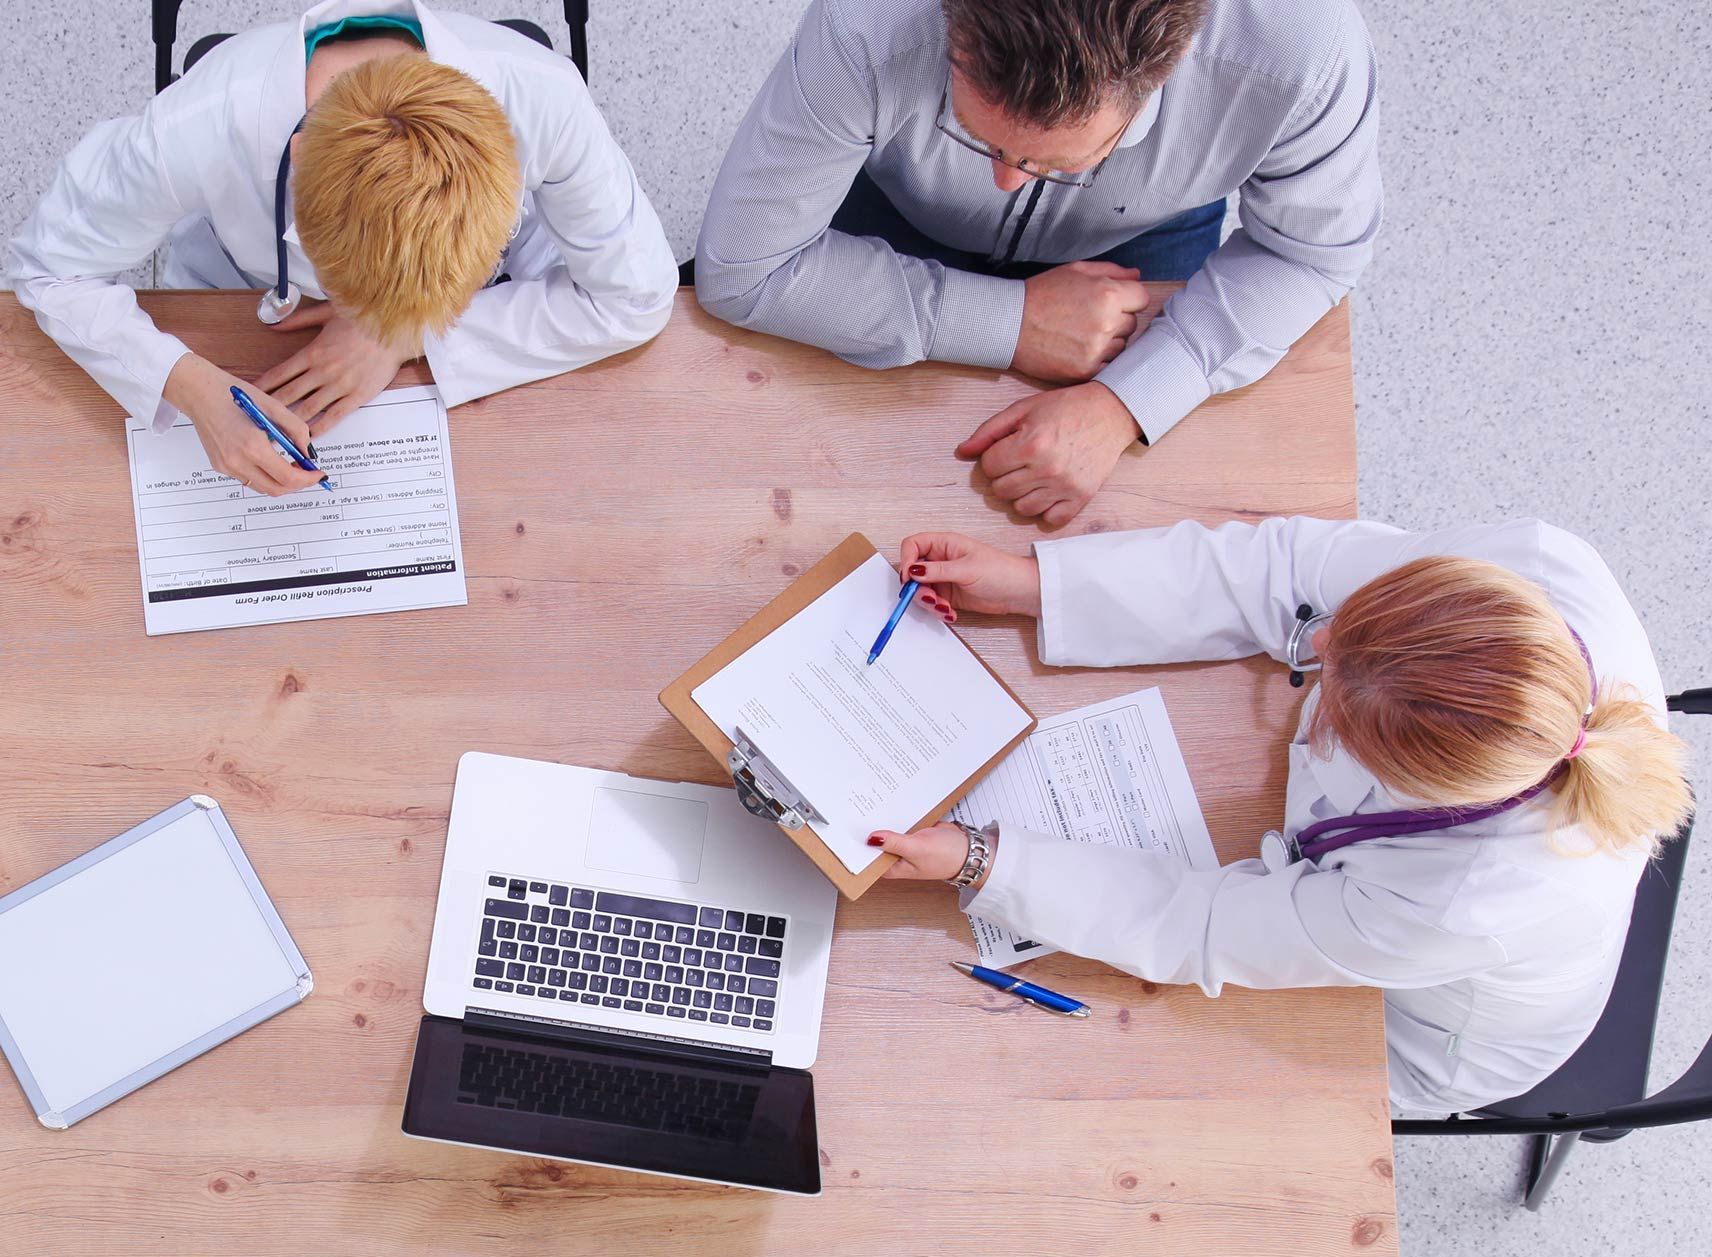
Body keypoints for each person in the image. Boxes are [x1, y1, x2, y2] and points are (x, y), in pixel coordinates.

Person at [869, 517, 1692, 1114]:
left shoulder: (1466, 898)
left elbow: (1201, 924)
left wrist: (981, 860)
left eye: (1330, 703)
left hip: (1427, 1026)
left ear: (1418, 786)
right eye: (1332, 641)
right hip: (1423, 906)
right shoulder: (1535, 567)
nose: (1312, 653)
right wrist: (1040, 584)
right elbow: (1292, 563)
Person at [696, 0, 1381, 526]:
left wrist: (1127, 402)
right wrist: (1015, 319)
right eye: (976, 137)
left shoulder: (1306, 50)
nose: (1005, 181)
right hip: (895, 205)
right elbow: (746, 268)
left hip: (1140, 239)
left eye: (1050, 162)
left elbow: (1310, 256)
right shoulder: (868, 23)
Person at [7, 0, 678, 497]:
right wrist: (190, 386)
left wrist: (402, 337)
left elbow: (638, 295)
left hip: (457, 327)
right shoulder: (197, 126)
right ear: (298, 167)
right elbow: (46, 266)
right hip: (240, 295)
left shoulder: (546, 101)